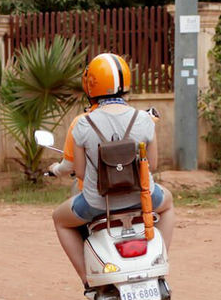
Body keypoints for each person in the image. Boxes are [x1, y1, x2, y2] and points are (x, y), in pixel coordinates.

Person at [51, 53, 176, 283]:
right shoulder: (144, 119)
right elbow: (154, 164)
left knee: (59, 219)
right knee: (167, 205)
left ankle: (87, 278)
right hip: (143, 200)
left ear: (91, 85)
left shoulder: (82, 124)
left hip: (97, 204)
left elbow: (79, 172)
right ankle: (161, 265)